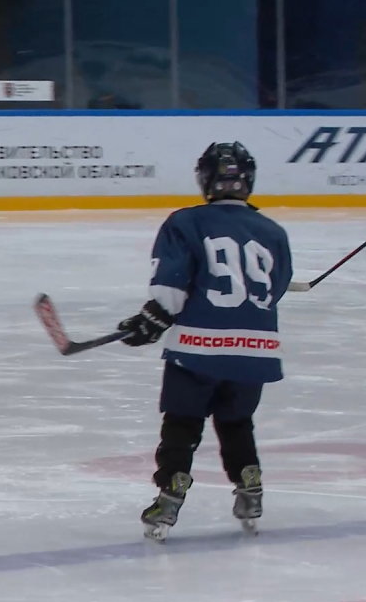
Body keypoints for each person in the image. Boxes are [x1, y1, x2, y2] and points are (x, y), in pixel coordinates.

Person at [116, 141, 293, 541]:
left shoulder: (185, 222)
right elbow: (277, 287)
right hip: (257, 349)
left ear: (205, 180)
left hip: (198, 347)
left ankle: (171, 491)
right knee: (236, 421)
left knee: (182, 422)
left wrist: (152, 319)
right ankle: (250, 485)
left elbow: (171, 286)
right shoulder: (274, 231)